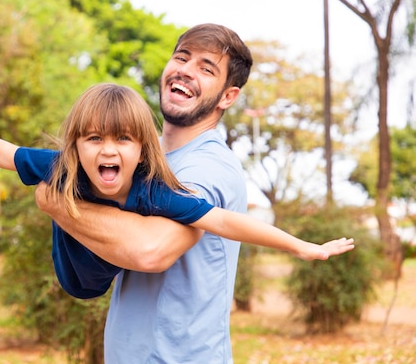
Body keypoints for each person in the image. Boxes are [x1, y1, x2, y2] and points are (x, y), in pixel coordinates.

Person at [32, 23, 333, 363]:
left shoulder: (206, 167)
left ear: (227, 96)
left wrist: (57, 202)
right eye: (182, 57)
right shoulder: (141, 159)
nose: (186, 71)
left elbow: (150, 251)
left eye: (206, 68)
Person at [0, 83, 353, 295]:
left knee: (58, 194)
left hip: (105, 272)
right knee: (52, 186)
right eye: (93, 139)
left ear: (142, 148)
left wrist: (302, 247)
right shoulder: (65, 166)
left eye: (122, 140)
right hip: (71, 272)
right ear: (76, 144)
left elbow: (223, 219)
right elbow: (7, 153)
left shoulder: (154, 191)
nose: (107, 150)